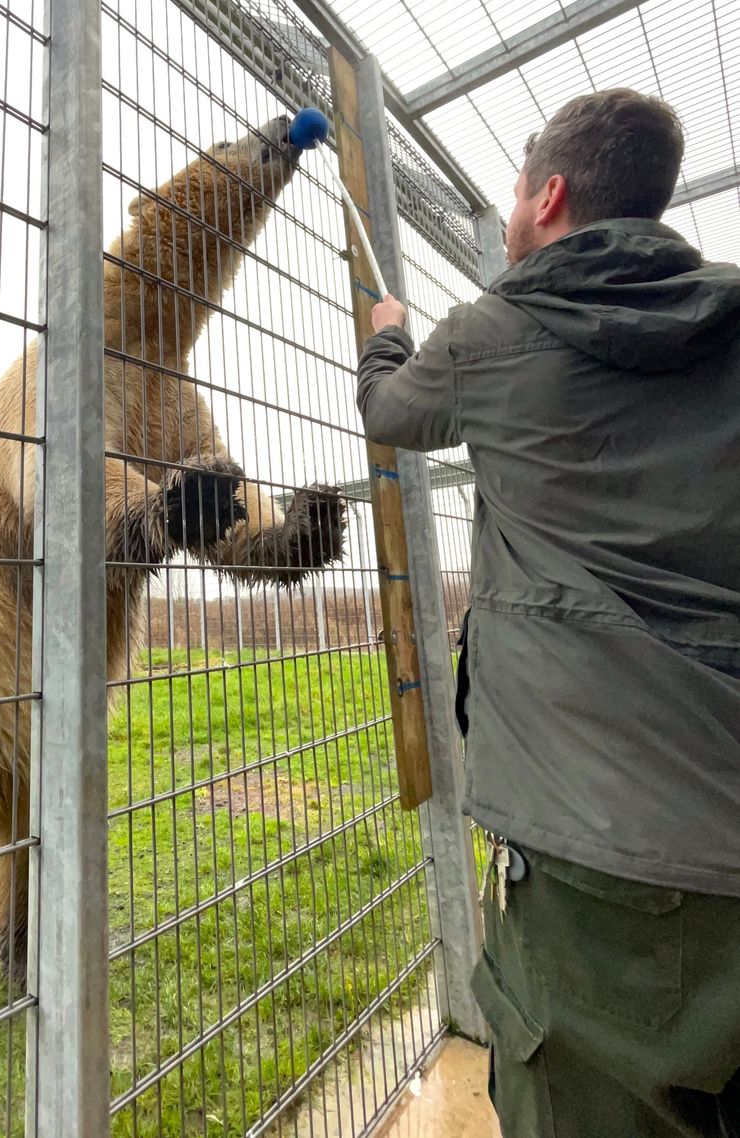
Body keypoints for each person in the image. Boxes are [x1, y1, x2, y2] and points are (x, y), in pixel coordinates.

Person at [356, 88, 740, 1137]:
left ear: (548, 196)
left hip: (608, 855)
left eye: (515, 190)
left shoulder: (494, 328)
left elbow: (392, 415)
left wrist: (386, 334)